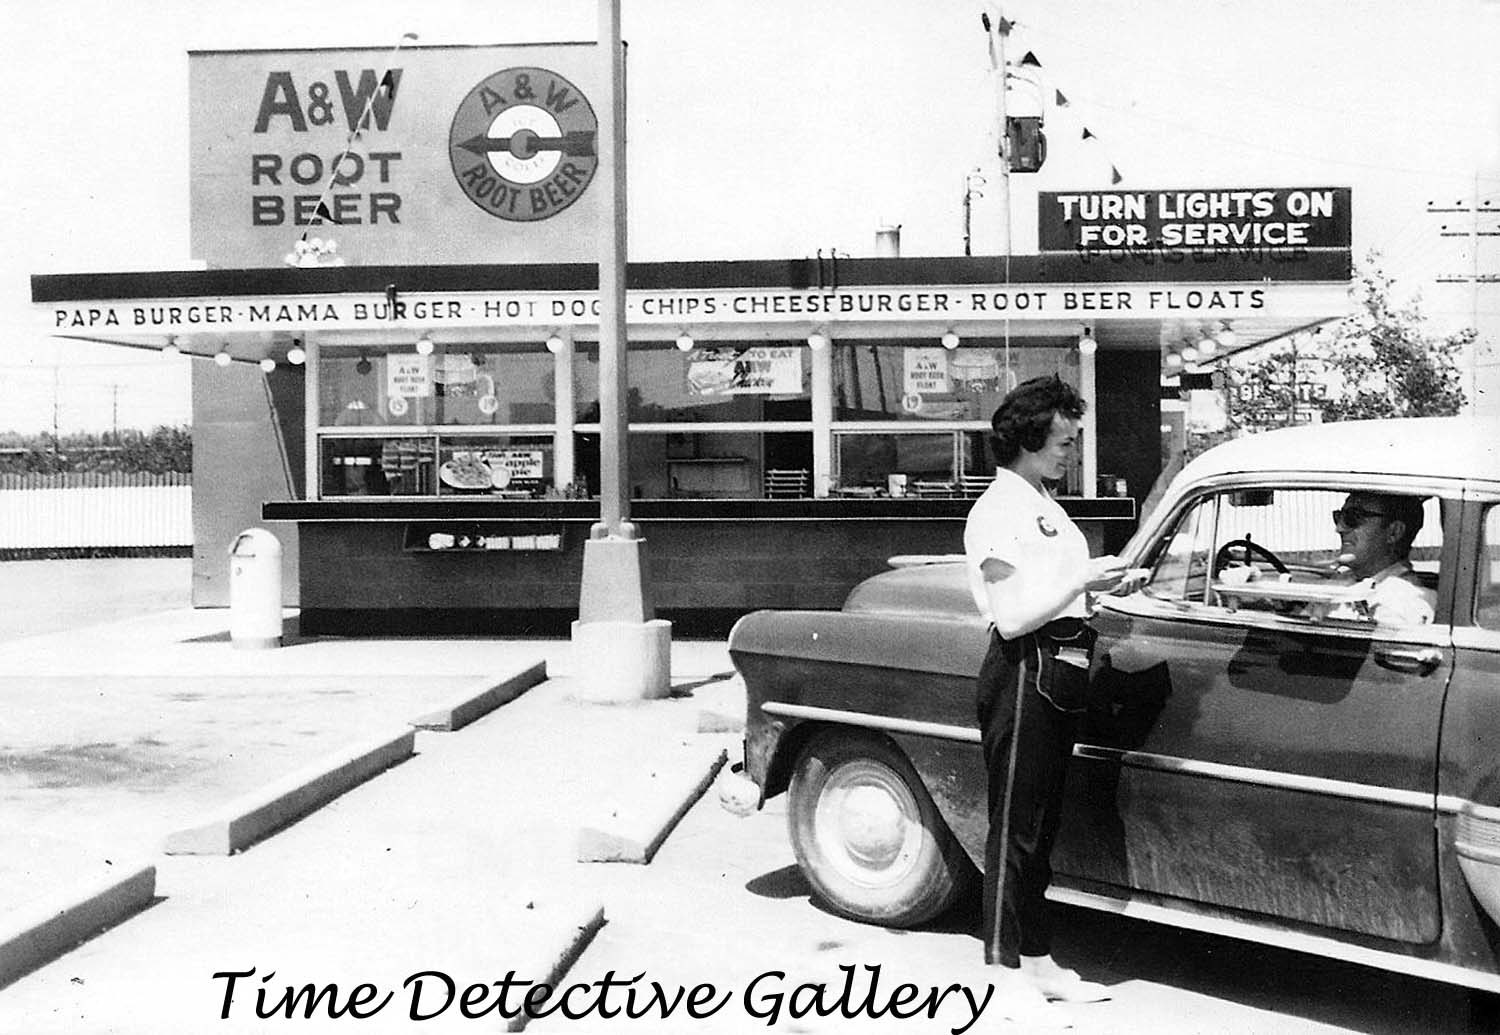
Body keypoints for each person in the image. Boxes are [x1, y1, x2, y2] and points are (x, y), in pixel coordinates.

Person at [962, 375, 1132, 1024]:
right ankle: (1000, 971)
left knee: (1042, 827)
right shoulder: (998, 509)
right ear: (1030, 439)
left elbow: (1052, 590)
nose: (1071, 451)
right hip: (1023, 672)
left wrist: (1099, 587)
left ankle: (1036, 961)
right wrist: (1082, 579)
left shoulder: (1040, 501)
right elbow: (1010, 618)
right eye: (1064, 441)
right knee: (1016, 828)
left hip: (1057, 670)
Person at [1324, 492, 1436, 625]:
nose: (1339, 528)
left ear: (1394, 532)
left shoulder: (1404, 602)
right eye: (1338, 517)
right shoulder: (1340, 581)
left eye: (1353, 517)